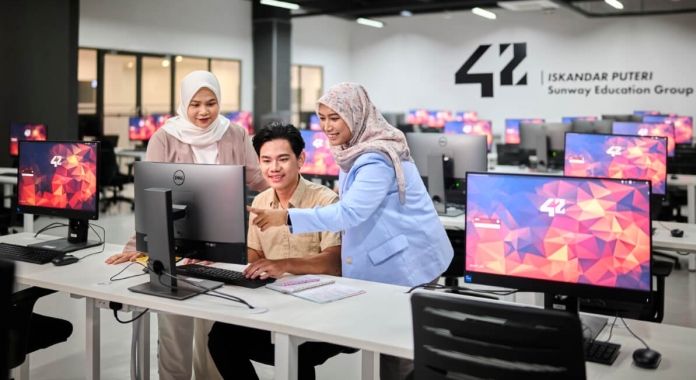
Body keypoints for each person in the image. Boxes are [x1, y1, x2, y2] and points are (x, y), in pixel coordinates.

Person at [247, 82, 454, 380]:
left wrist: (286, 217)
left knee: (400, 355)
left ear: (357, 115)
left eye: (336, 117)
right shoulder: (354, 150)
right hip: (393, 256)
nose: (328, 126)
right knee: (394, 349)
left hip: (408, 262)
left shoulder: (375, 157)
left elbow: (351, 212)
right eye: (323, 117)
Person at [105, 70, 268, 380]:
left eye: (211, 103)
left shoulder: (236, 134)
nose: (204, 111)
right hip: (175, 247)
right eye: (195, 104)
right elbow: (150, 195)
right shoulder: (165, 137)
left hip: (221, 246)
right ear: (183, 103)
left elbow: (256, 177)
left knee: (214, 335)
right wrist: (137, 246)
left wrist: (296, 191)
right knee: (175, 334)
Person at [208, 123, 346, 379]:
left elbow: (333, 262)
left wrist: (282, 264)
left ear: (300, 159)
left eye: (283, 159)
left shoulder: (326, 201)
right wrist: (219, 260)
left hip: (319, 311)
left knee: (293, 349)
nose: (274, 168)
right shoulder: (261, 201)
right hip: (275, 305)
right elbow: (255, 254)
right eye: (266, 160)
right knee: (220, 338)